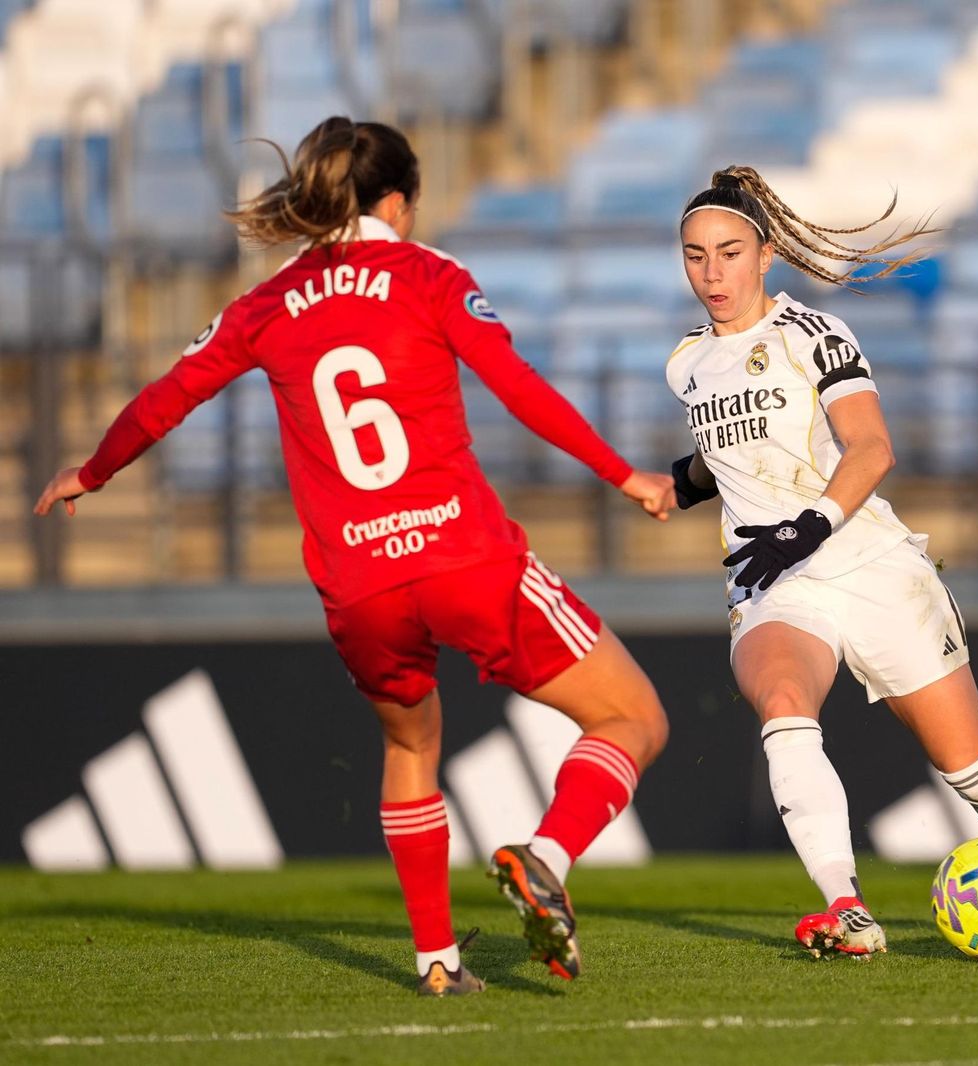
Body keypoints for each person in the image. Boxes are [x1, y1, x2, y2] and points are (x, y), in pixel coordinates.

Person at [33, 118, 675, 994]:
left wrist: (92, 473)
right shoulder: (429, 275)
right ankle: (546, 856)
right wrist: (622, 475)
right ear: (398, 203)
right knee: (632, 717)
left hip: (361, 584)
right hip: (463, 557)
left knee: (411, 746)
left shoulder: (263, 306)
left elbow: (166, 397)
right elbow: (517, 388)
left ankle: (439, 964)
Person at [655, 165, 978, 956]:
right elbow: (722, 453)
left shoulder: (813, 335)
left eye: (728, 252)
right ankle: (849, 911)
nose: (712, 273)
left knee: (973, 770)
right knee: (784, 701)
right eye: (695, 256)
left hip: (865, 561)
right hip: (773, 582)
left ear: (766, 256)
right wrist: (677, 485)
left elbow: (871, 447)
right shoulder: (686, 364)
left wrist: (810, 525)